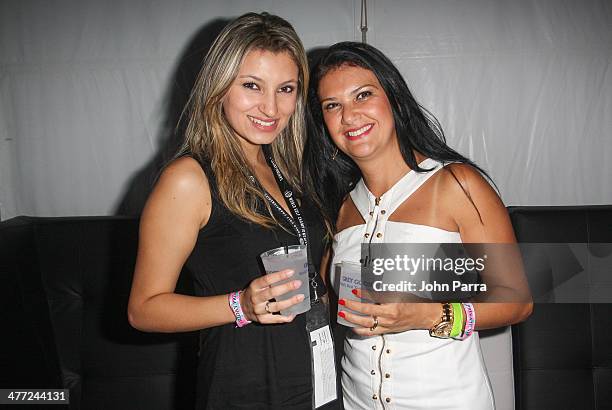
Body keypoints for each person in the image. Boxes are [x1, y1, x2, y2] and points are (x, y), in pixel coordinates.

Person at [303, 41, 532, 409]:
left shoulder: (457, 184)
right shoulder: (339, 208)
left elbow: (516, 302)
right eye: (333, 106)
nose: (349, 116)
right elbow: (329, 310)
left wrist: (421, 314)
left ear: (393, 99)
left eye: (363, 95)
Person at [128, 13, 340, 409]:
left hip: (316, 379)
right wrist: (240, 305)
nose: (271, 107)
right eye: (251, 86)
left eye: (286, 88)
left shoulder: (288, 169)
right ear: (219, 87)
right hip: (246, 389)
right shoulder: (188, 179)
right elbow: (143, 309)